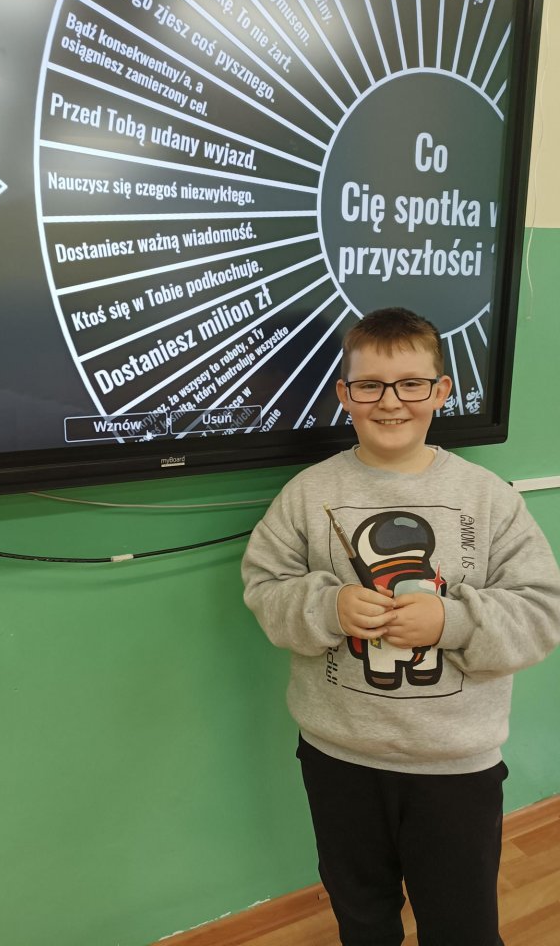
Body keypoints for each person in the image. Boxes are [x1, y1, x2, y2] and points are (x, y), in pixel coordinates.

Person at [241, 307, 560, 946]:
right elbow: (264, 587)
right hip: (337, 759)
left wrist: (452, 620)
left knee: (463, 926)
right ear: (344, 394)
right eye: (370, 386)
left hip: (456, 767)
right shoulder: (306, 494)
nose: (391, 402)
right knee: (362, 916)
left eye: (411, 384)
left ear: (441, 391)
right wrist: (329, 608)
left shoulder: (489, 498)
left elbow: (541, 612)